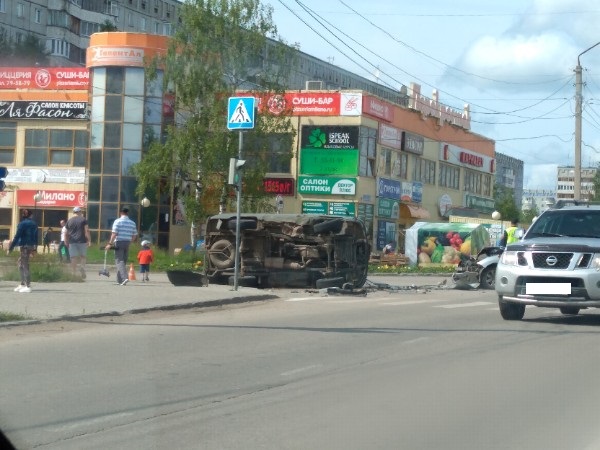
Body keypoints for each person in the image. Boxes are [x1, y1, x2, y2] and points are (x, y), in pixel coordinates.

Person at [7, 209, 38, 293]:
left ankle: (28, 285)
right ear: (30, 215)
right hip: (30, 246)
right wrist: (35, 249)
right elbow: (36, 237)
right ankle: (23, 283)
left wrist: (11, 248)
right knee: (20, 263)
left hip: (24, 246)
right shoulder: (34, 224)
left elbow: (17, 236)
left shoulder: (21, 224)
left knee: (24, 265)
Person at [105, 206, 138, 286]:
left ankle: (124, 277)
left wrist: (110, 244)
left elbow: (114, 233)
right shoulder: (132, 223)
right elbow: (134, 235)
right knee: (123, 260)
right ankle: (119, 280)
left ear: (121, 213)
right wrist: (130, 242)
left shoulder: (118, 221)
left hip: (119, 242)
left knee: (119, 260)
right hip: (127, 242)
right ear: (127, 213)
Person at [65, 206, 91, 279]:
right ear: (80, 212)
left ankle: (73, 272)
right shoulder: (83, 220)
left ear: (74, 212)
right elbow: (87, 230)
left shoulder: (69, 221)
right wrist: (89, 240)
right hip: (82, 241)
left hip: (72, 241)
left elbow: (66, 233)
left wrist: (66, 241)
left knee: (73, 257)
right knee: (83, 256)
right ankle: (82, 267)